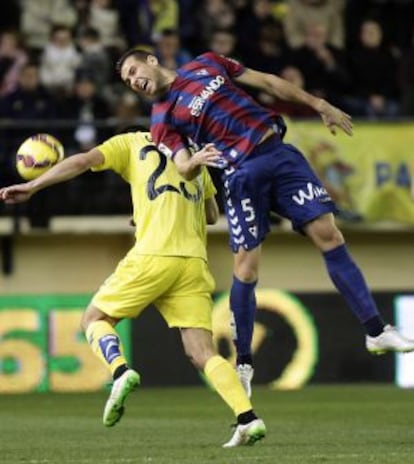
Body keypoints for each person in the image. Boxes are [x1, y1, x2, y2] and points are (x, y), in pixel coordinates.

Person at [116, 49, 414, 399]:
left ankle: (376, 331)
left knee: (329, 235)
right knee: (246, 268)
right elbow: (182, 165)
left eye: (134, 71)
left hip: (278, 153)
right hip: (241, 174)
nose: (134, 81)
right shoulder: (161, 119)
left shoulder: (208, 62)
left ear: (151, 60)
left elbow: (269, 82)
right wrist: (195, 159)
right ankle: (243, 365)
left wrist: (319, 105)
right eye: (128, 81)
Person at [0, 129, 265, 448]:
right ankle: (247, 418)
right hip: (193, 261)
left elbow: (83, 161)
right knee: (201, 352)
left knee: (94, 319)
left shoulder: (131, 142)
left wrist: (32, 185)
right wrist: (152, 211)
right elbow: (210, 215)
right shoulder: (191, 153)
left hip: (154, 254)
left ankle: (120, 370)